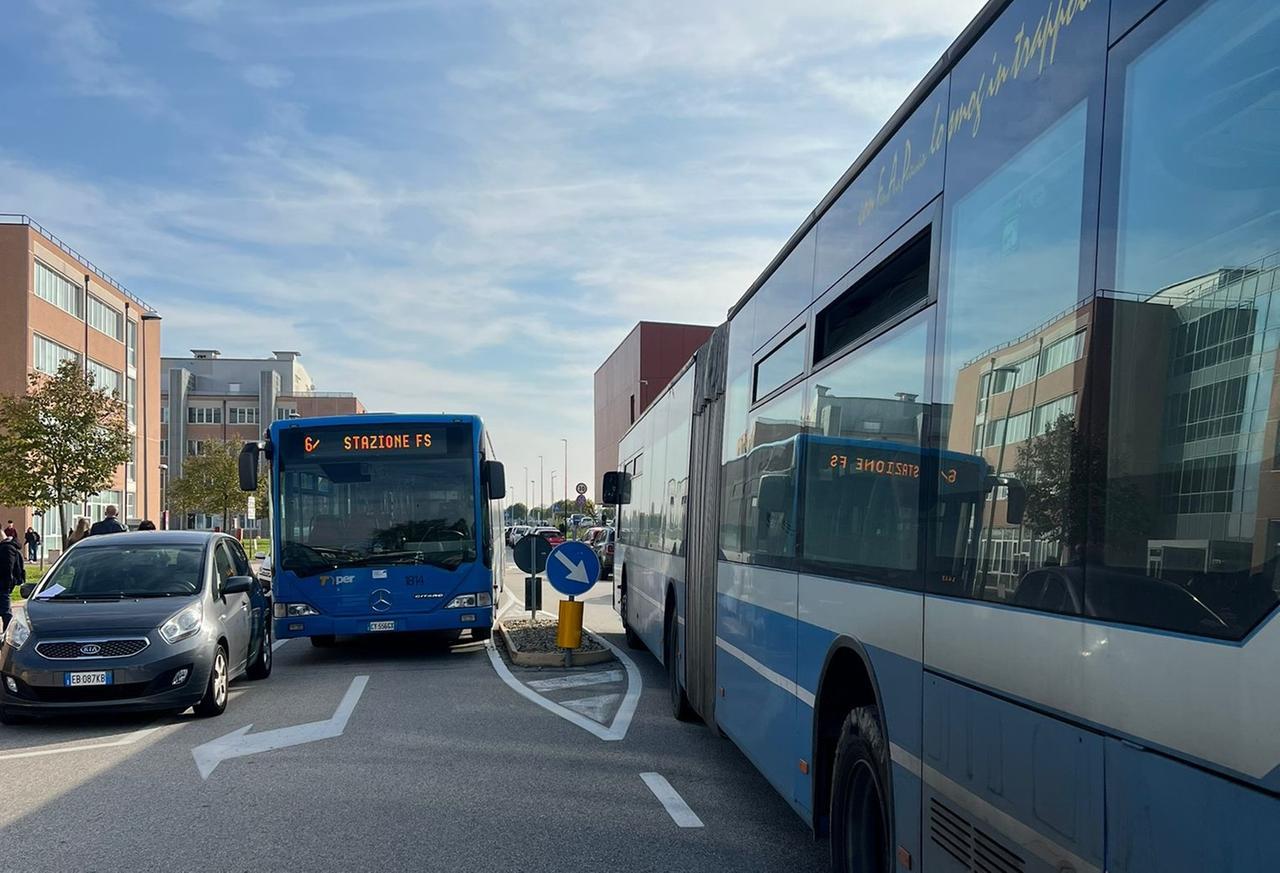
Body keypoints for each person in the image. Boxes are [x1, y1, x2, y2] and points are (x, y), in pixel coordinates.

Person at [0, 529, 23, 632]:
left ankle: (6, 637)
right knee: (5, 612)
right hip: (4, 585)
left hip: (3, 585)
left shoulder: (6, 548)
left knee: (6, 613)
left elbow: (8, 569)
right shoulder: (6, 547)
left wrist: (7, 585)